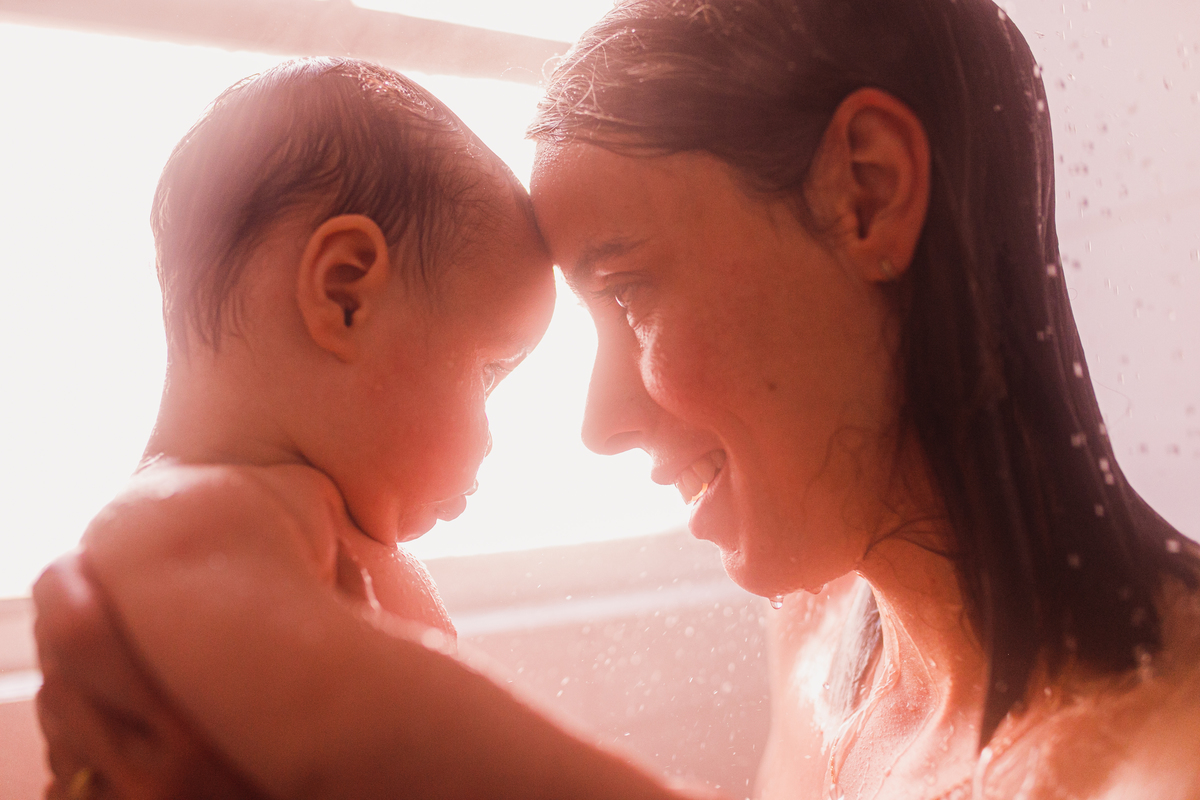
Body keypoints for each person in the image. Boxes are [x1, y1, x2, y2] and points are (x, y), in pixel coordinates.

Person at [34, 0, 1200, 798]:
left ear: (866, 192)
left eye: (630, 291)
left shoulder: (1165, 756)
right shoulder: (830, 642)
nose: (595, 425)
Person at [34, 56, 561, 798]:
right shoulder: (183, 519)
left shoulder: (277, 521)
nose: (490, 439)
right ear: (344, 295)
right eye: (488, 373)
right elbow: (345, 738)